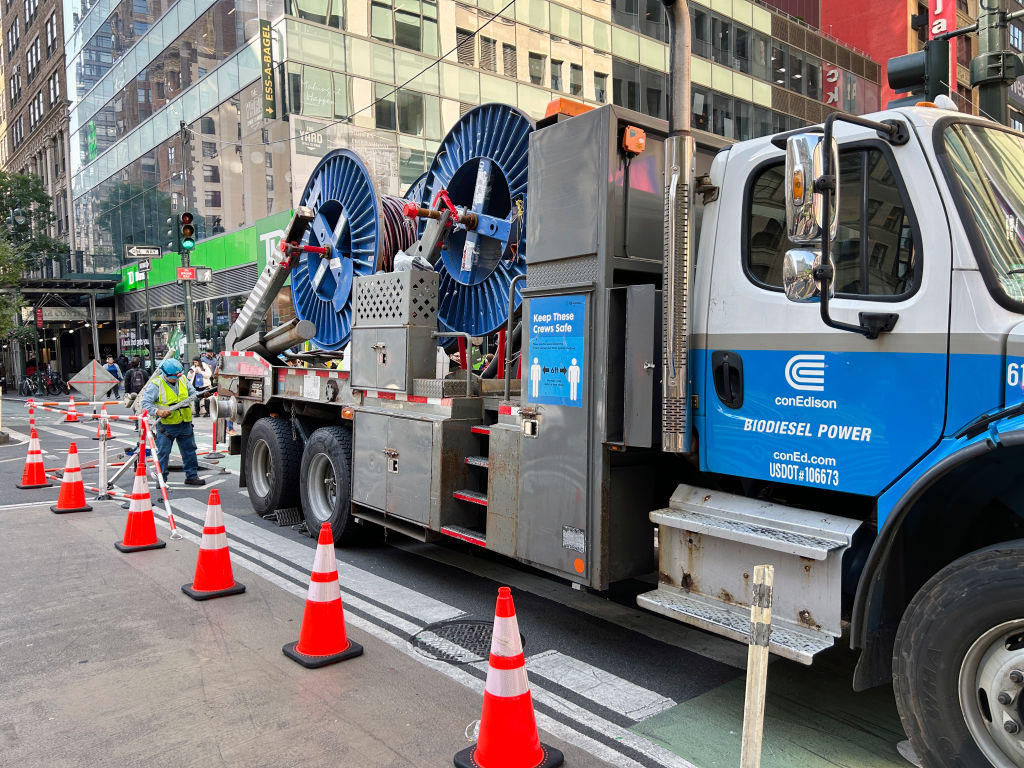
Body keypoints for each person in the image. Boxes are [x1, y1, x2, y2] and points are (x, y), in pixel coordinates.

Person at [139, 358, 205, 486]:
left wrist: (202, 395)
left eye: (177, 376)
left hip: (184, 423)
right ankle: (161, 479)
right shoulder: (156, 384)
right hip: (166, 426)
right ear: (163, 373)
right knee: (163, 453)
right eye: (172, 377)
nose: (176, 379)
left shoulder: (183, 380)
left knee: (189, 451)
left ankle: (192, 476)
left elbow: (193, 395)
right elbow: (145, 404)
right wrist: (158, 412)